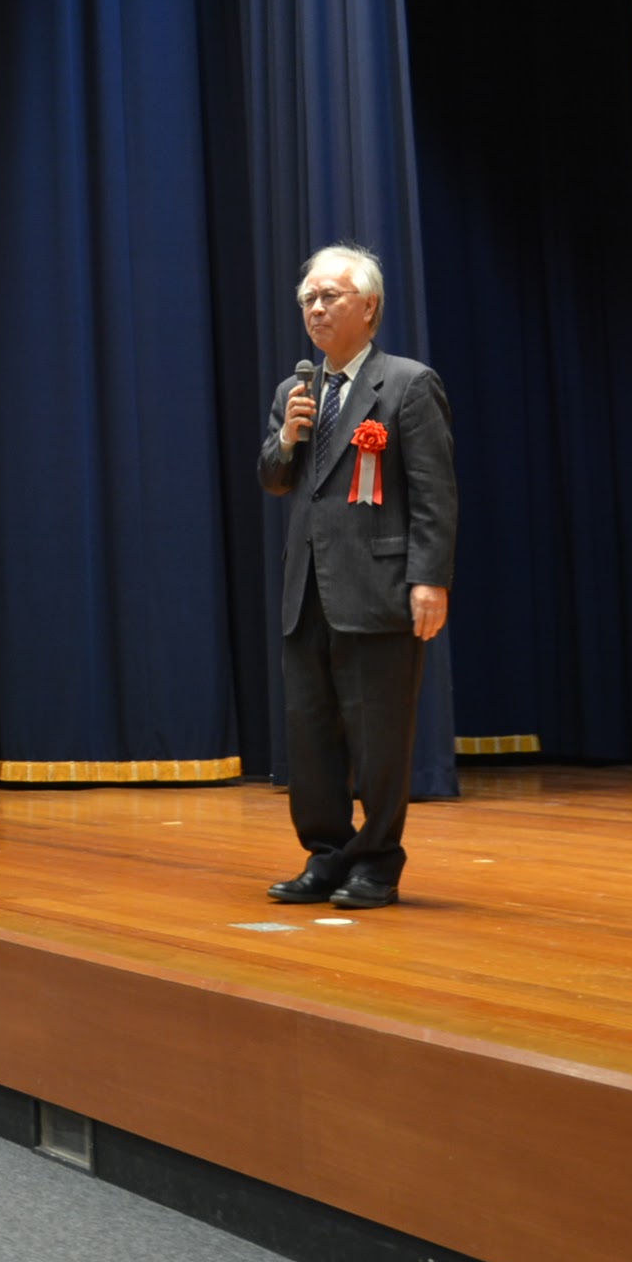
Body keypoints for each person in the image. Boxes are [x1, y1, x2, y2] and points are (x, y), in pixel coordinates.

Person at [257, 245, 458, 910]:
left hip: (379, 588)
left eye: (330, 297)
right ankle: (325, 853)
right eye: (308, 298)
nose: (315, 308)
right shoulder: (296, 391)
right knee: (309, 733)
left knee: (378, 736)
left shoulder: (408, 383)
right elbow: (274, 478)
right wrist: (285, 437)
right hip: (306, 591)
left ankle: (376, 863)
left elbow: (434, 494)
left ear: (368, 307)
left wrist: (429, 579)